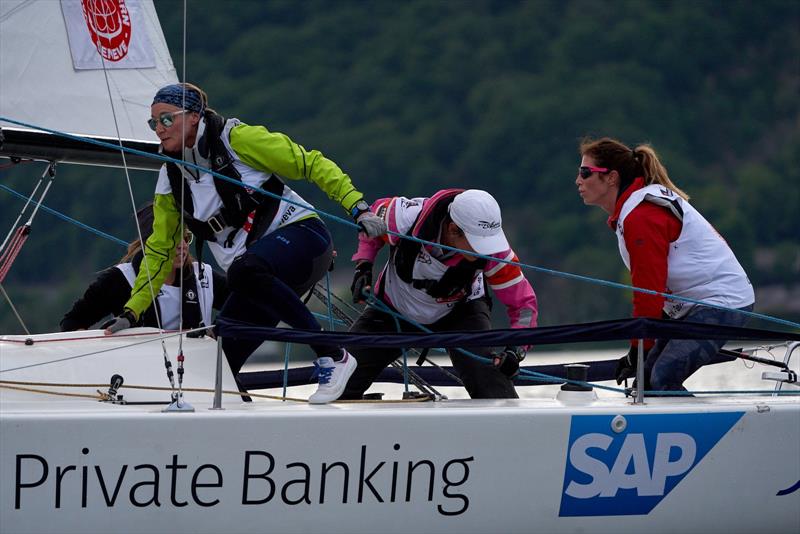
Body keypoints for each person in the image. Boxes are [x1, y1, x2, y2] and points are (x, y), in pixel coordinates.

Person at [102, 82, 387, 404]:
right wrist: (131, 312)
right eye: (153, 122)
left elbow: (311, 164)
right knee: (217, 365)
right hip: (256, 276)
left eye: (166, 119)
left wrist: (357, 207)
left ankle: (332, 355)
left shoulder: (237, 139)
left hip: (304, 238)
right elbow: (158, 250)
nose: (158, 129)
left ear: (194, 117)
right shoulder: (171, 177)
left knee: (243, 271)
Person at [575, 137, 755, 391]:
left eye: (586, 172)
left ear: (611, 177)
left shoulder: (641, 216)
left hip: (722, 302)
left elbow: (649, 292)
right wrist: (639, 351)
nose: (578, 180)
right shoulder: (633, 209)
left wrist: (638, 349)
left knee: (661, 380)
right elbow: (653, 295)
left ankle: (718, 431)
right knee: (645, 386)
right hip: (694, 307)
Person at [341, 189, 538, 400]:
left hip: (461, 312)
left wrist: (515, 351)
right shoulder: (404, 217)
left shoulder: (496, 252)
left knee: (492, 387)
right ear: (453, 230)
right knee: (340, 379)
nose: (487, 251)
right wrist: (364, 266)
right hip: (393, 311)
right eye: (479, 243)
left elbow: (524, 306)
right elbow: (370, 222)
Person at [61, 203, 228, 332]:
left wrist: (217, 333)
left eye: (186, 238)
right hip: (136, 373)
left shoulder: (205, 277)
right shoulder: (120, 279)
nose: (182, 245)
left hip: (199, 371)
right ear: (151, 244)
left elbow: (245, 305)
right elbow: (71, 323)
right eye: (173, 239)